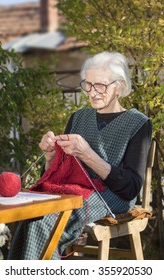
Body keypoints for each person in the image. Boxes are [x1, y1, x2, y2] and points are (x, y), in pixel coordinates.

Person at [8, 51, 152, 260]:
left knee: (44, 223)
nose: (92, 92)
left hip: (112, 195)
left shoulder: (138, 123)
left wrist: (87, 154)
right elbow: (57, 174)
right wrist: (50, 157)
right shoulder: (79, 117)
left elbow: (130, 188)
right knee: (29, 217)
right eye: (88, 84)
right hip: (73, 191)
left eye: (100, 85)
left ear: (119, 86)